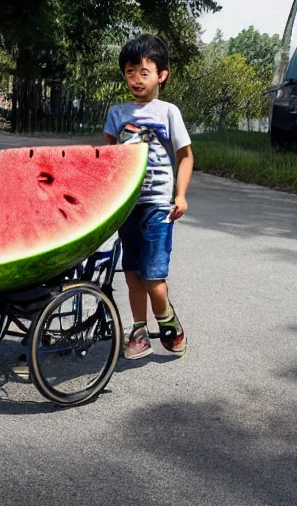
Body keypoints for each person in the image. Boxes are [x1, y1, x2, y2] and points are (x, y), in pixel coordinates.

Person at [103, 34, 194, 360]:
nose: (136, 79)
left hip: (158, 205)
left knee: (153, 277)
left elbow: (185, 156)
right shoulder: (116, 112)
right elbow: (108, 158)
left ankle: (166, 319)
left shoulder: (169, 112)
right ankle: (139, 331)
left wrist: (180, 195)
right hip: (128, 205)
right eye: (130, 72)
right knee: (131, 274)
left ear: (162, 74)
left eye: (144, 72)